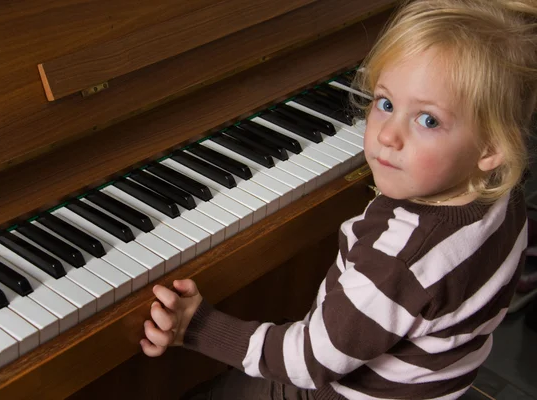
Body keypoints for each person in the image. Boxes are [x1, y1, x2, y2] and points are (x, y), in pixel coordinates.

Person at [140, 0, 537, 398]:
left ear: (491, 147)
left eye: (428, 120)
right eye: (385, 104)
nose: (387, 135)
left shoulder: (397, 262)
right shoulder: (505, 198)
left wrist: (199, 327)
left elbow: (307, 362)